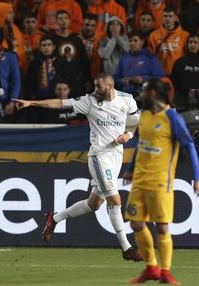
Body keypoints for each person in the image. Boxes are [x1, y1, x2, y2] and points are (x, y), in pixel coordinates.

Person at [14, 73, 143, 262]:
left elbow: (134, 124)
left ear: (109, 87)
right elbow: (59, 103)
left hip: (116, 156)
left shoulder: (127, 100)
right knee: (114, 200)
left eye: (98, 86)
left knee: (94, 203)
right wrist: (31, 103)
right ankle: (127, 248)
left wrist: (128, 136)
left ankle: (54, 218)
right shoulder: (89, 101)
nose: (94, 90)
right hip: (99, 156)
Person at [122, 78, 199, 285]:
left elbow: (189, 145)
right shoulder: (145, 116)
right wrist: (131, 169)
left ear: (152, 94)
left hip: (160, 181)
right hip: (140, 180)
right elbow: (142, 144)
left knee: (161, 227)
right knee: (136, 223)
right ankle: (151, 267)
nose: (139, 96)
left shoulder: (172, 117)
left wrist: (198, 177)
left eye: (142, 92)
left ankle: (165, 272)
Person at [114, 30, 165, 97]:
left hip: (146, 94)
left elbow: (160, 77)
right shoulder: (123, 58)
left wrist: (143, 79)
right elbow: (116, 77)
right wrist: (122, 81)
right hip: (126, 94)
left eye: (135, 41)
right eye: (130, 41)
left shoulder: (150, 57)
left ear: (142, 42)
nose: (132, 43)